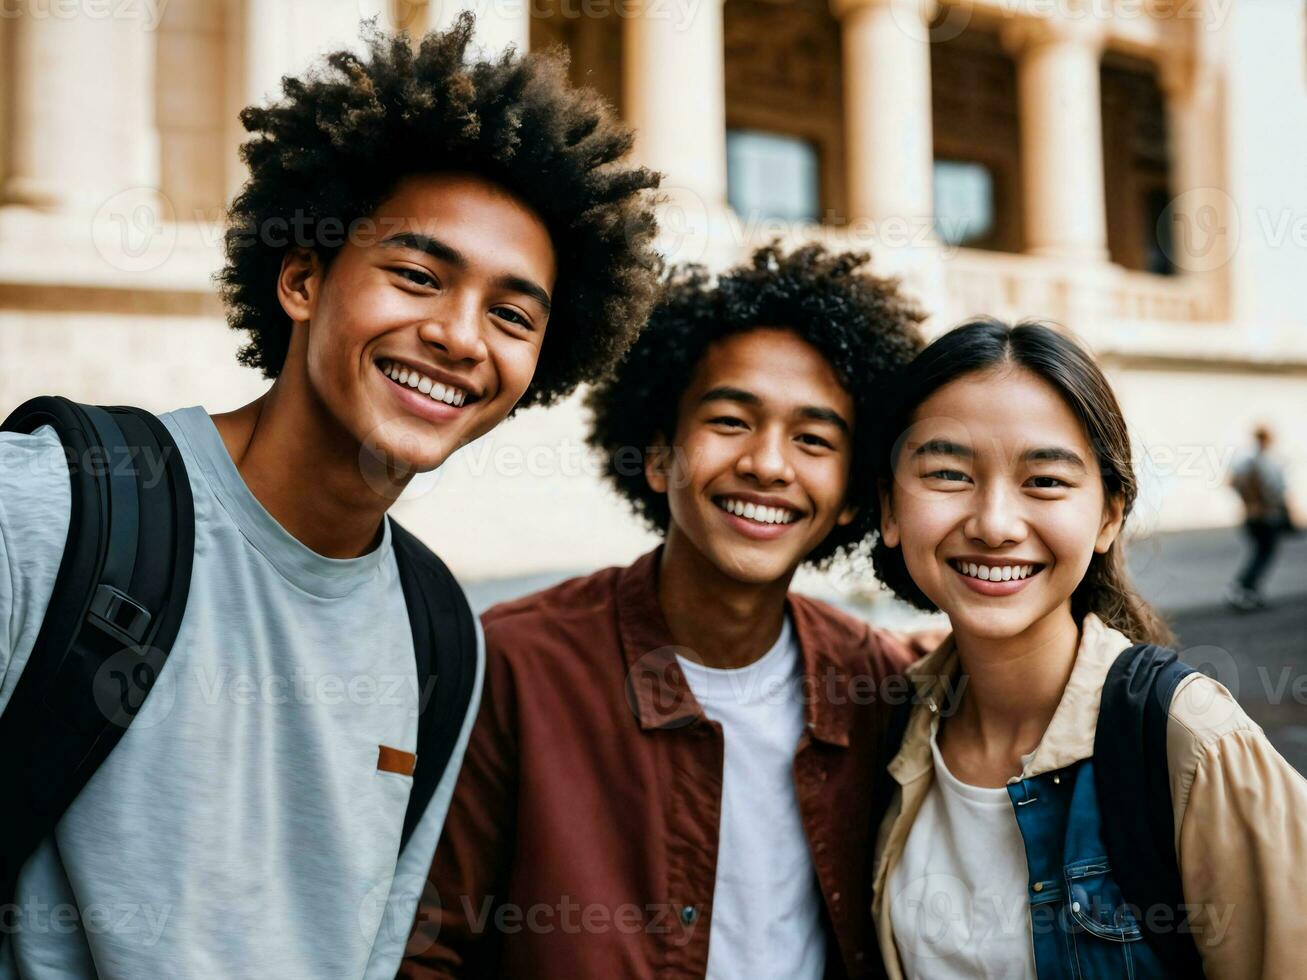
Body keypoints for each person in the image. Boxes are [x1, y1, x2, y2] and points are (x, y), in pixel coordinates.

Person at [0, 16, 660, 978]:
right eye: (416, 275)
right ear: (303, 278)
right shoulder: (52, 509)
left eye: (511, 315)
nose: (461, 337)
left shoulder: (442, 635)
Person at [400, 243, 928, 978]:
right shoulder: (515, 667)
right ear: (656, 456)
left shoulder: (877, 682)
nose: (767, 464)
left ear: (848, 498)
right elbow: (426, 951)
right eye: (730, 420)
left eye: (812, 439)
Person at [868, 318, 1307, 979]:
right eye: (948, 473)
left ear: (1108, 515)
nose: (993, 525)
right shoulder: (889, 726)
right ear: (888, 509)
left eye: (1043, 481)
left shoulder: (1191, 742)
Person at [1227, 425, 1293, 611]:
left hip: (1255, 514)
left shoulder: (1247, 461)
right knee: (1263, 554)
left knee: (1261, 553)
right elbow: (1278, 491)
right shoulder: (1267, 462)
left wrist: (1248, 503)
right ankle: (1244, 587)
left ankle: (1248, 588)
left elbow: (1233, 482)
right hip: (1266, 515)